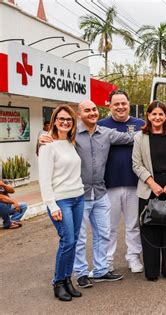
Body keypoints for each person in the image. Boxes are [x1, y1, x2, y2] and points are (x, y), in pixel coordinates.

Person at [39, 100, 134, 289]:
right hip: (79, 195)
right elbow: (53, 143)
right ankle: (81, 273)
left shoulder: (106, 133)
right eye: (87, 110)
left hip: (100, 192)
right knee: (78, 238)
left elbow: (131, 137)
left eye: (94, 110)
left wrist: (158, 127)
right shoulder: (72, 136)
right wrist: (41, 136)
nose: (92, 113)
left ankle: (100, 270)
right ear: (79, 115)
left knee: (104, 233)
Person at [132, 101, 166, 282]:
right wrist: (152, 184)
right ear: (147, 115)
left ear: (165, 116)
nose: (157, 117)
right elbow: (136, 164)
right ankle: (152, 272)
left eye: (161, 114)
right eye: (153, 114)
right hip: (149, 189)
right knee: (150, 230)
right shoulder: (140, 137)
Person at [38, 105, 84, 301]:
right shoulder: (47, 145)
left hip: (78, 198)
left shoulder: (71, 142)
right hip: (61, 201)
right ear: (54, 120)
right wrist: (52, 205)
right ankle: (58, 282)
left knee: (73, 241)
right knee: (67, 241)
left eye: (69, 119)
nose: (65, 122)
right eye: (61, 119)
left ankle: (67, 280)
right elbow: (44, 179)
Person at [99, 90, 145, 274]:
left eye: (123, 103)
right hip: (109, 185)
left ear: (129, 104)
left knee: (133, 225)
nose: (120, 107)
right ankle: (107, 261)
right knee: (108, 227)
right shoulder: (101, 125)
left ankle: (133, 257)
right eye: (116, 104)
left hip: (135, 183)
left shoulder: (140, 124)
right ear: (109, 106)